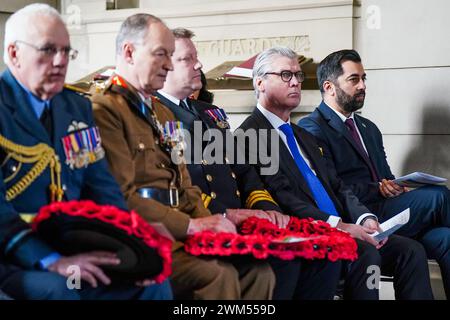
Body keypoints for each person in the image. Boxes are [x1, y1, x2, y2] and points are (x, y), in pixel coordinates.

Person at [91, 14, 274, 300]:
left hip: (181, 233)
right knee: (218, 274)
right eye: (162, 54)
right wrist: (192, 226)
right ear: (129, 52)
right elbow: (120, 196)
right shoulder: (104, 110)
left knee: (258, 270)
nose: (168, 63)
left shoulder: (162, 113)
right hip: (143, 237)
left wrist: (211, 226)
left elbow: (185, 186)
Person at [155, 27, 342, 300]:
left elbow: (243, 170)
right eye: (188, 58)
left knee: (322, 255)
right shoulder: (155, 116)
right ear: (166, 65)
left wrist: (265, 207)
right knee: (283, 263)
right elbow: (172, 188)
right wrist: (228, 214)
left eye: (197, 56)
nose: (199, 64)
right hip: (201, 223)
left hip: (240, 222)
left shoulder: (208, 114)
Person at [0, 4, 171, 300]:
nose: (60, 61)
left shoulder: (74, 107)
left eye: (67, 52)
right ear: (14, 53)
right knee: (62, 289)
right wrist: (53, 261)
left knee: (151, 283)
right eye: (48, 49)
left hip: (74, 249)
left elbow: (102, 187)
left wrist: (133, 244)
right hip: (15, 259)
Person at [237, 46, 434, 300]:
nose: (296, 82)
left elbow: (337, 186)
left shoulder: (302, 135)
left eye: (298, 75)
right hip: (310, 232)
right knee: (367, 254)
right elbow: (283, 197)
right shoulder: (249, 136)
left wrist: (364, 219)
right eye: (286, 75)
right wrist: (339, 226)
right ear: (260, 82)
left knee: (410, 250)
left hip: (346, 226)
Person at [297, 49, 450, 298]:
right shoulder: (311, 128)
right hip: (356, 216)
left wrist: (396, 186)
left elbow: (386, 176)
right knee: (438, 196)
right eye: (354, 79)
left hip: (388, 212)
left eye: (364, 78)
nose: (363, 86)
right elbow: (329, 189)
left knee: (445, 237)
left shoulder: (369, 128)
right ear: (329, 87)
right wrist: (376, 188)